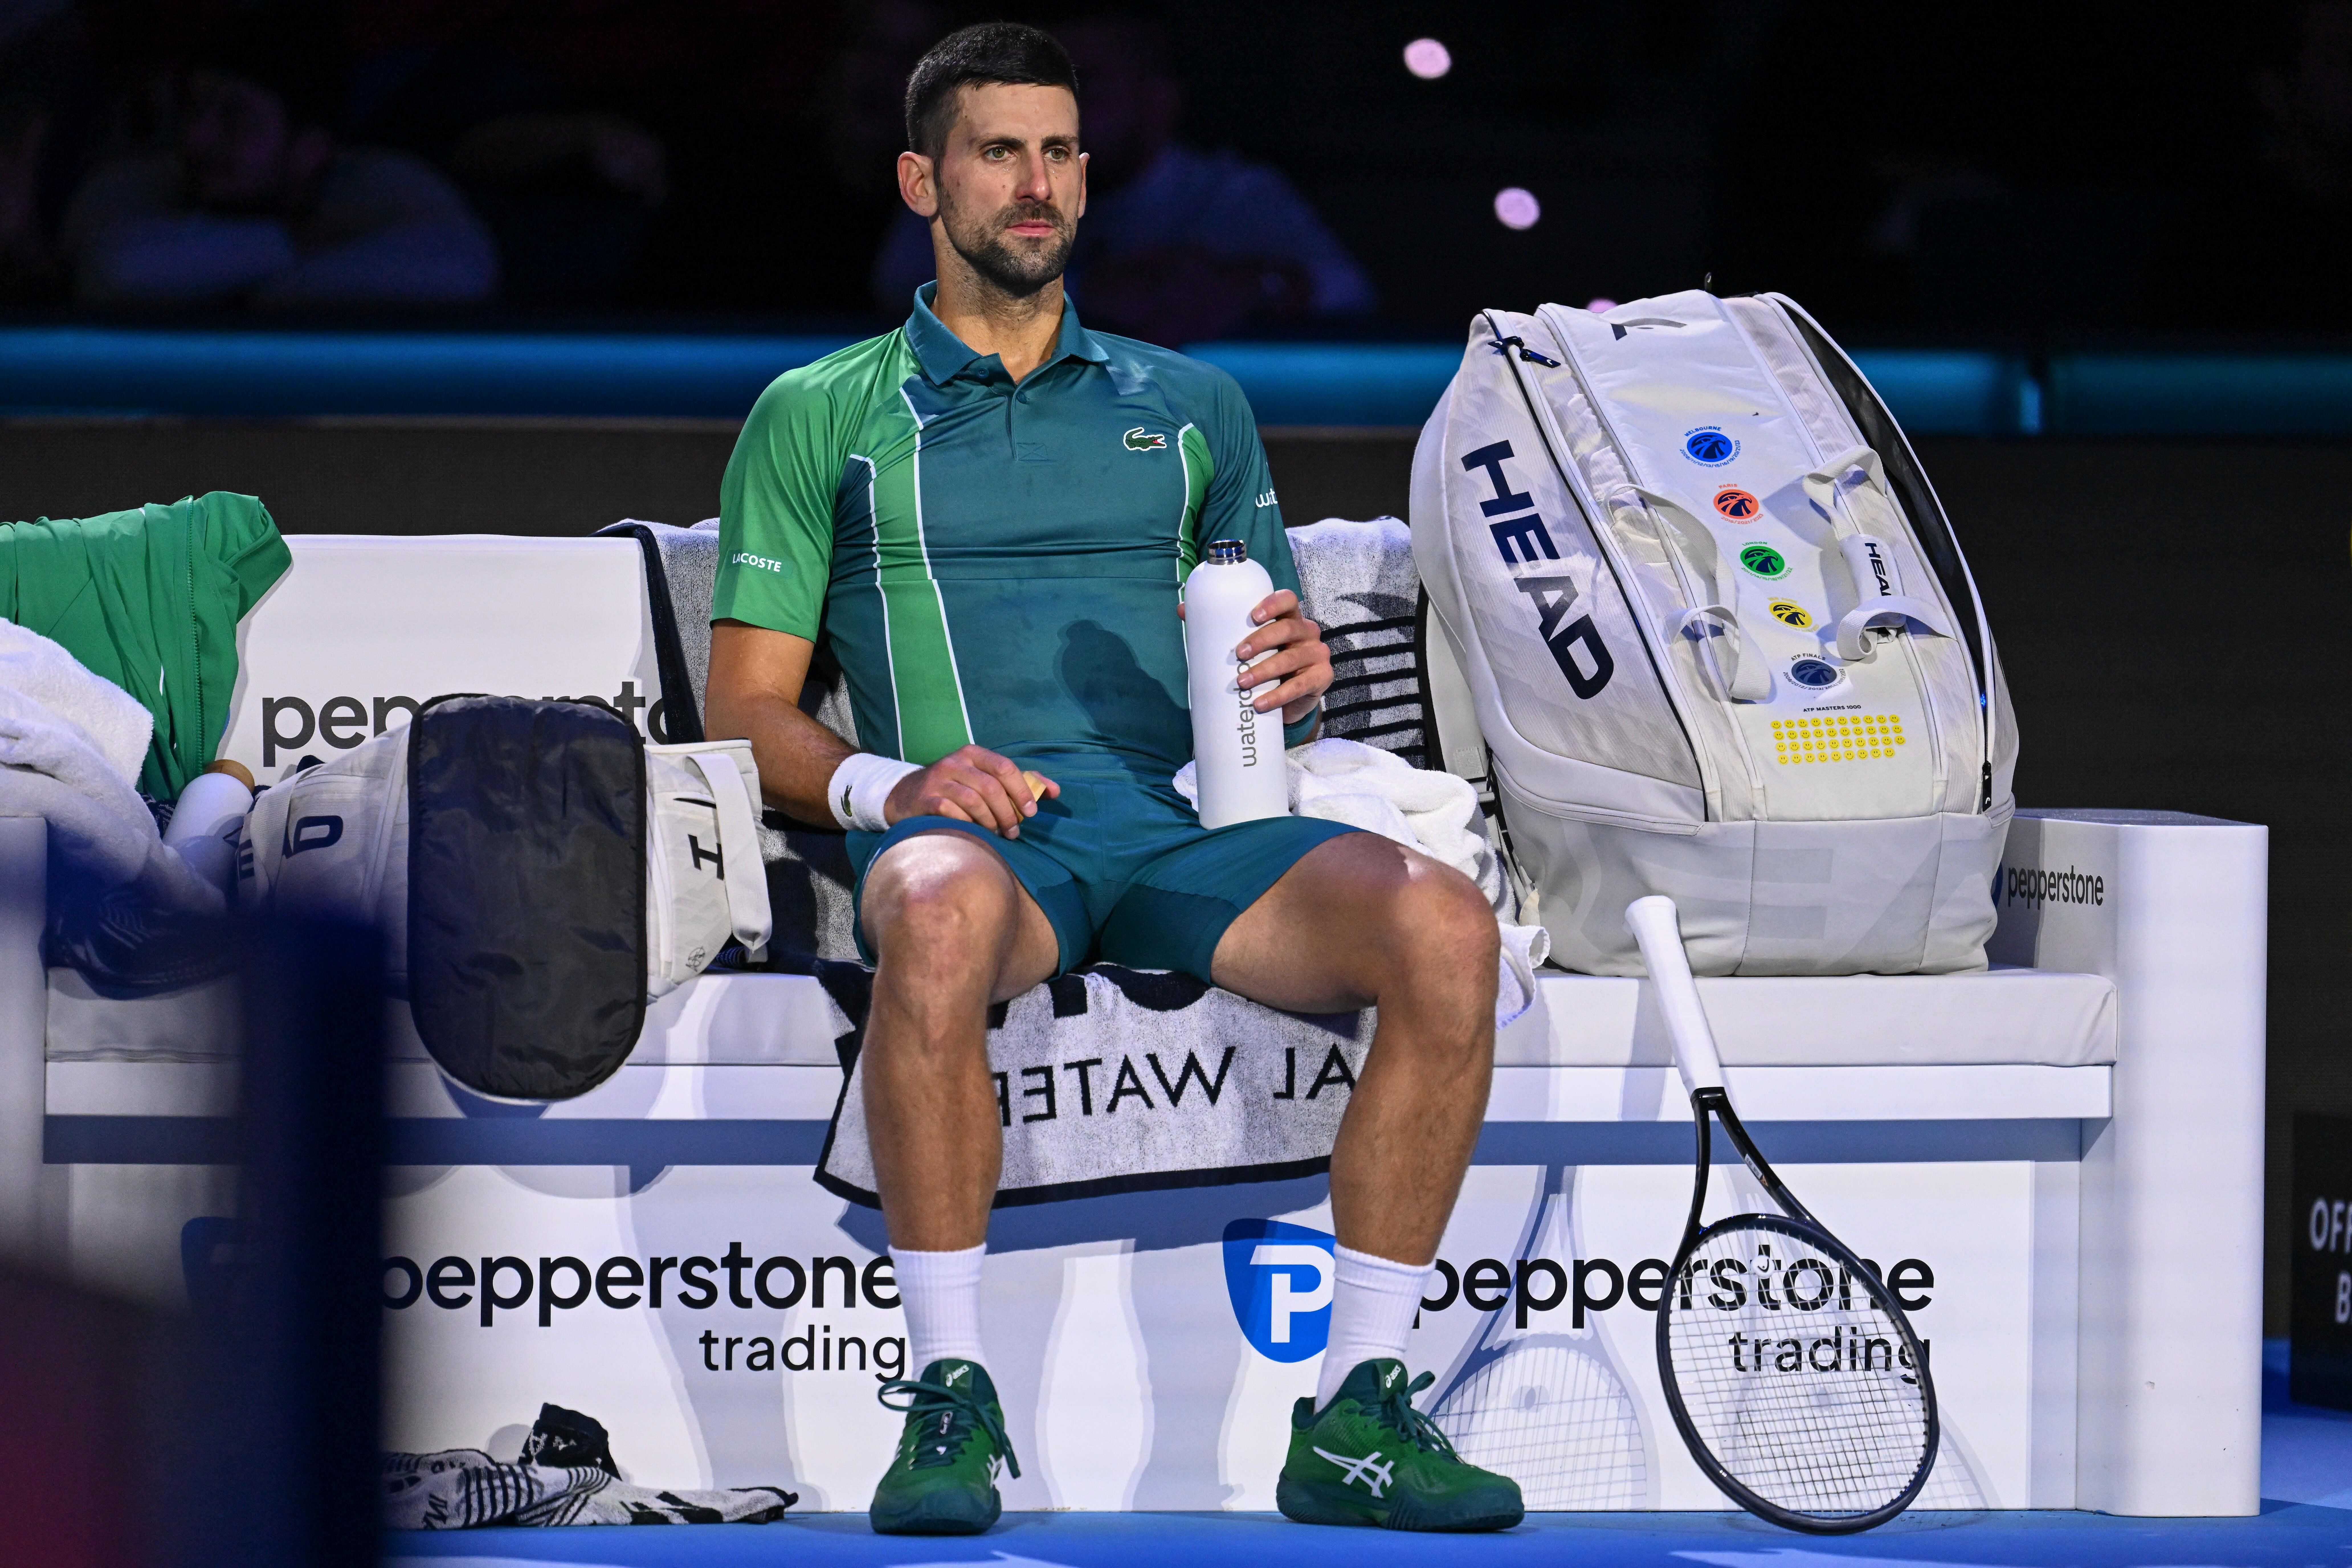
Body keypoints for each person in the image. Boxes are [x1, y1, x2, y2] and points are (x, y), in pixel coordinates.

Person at [704, 22, 1518, 1538]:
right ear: (919, 179)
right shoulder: (821, 412)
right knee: (935, 912)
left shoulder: (1193, 404)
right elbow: (746, 711)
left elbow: (1266, 642)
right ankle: (949, 1403)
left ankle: (1354, 1413)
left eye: (1060, 150)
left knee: (1445, 929)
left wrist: (1302, 664)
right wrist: (900, 786)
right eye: (998, 150)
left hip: (1178, 839)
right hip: (981, 845)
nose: (1035, 182)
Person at [867, 14, 1374, 344]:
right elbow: (898, 280)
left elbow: (1349, 288)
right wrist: (1082, 292)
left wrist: (1247, 285)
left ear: (1158, 102)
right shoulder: (976, 171)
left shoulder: (1227, 192)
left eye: (1091, 81)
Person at [58, 15, 496, 309]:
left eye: (233, 117)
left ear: (312, 149)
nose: (196, 139)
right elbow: (116, 272)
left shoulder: (380, 185)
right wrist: (289, 246)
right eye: (192, 109)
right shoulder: (131, 186)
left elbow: (461, 270)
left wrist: (243, 276)